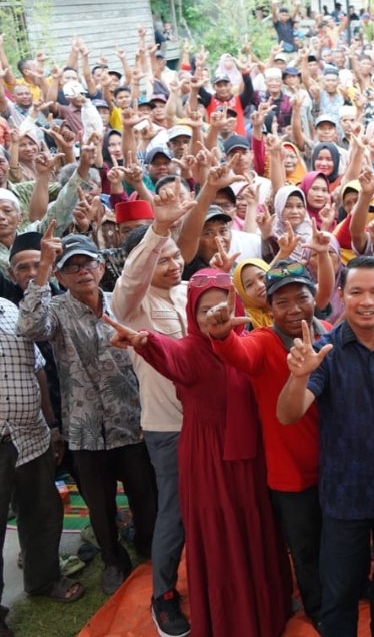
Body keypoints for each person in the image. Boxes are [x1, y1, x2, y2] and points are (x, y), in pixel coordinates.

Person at [105, 269, 293, 636]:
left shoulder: (247, 343)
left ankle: (266, 603)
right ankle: (233, 616)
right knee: (221, 532)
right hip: (209, 458)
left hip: (250, 454)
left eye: (222, 306)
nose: (215, 316)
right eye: (205, 309)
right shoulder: (190, 349)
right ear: (192, 312)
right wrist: (145, 343)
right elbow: (168, 352)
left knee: (256, 523)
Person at [277, 256, 374, 637]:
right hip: (344, 494)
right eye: (356, 292)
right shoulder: (325, 351)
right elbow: (289, 414)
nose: (367, 301)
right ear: (342, 296)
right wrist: (299, 377)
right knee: (340, 589)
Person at [16, 229, 158, 596]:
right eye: (72, 267)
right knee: (100, 502)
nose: (82, 272)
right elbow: (29, 326)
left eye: (88, 264)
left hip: (131, 418)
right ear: (61, 277)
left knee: (144, 492)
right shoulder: (56, 310)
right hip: (86, 426)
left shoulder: (121, 302)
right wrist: (43, 268)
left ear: (101, 267)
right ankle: (113, 560)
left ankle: (147, 544)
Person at [208, 261, 326, 625]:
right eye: (282, 302)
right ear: (269, 307)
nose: (293, 309)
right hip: (291, 473)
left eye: (301, 298)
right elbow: (239, 354)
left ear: (314, 298)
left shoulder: (329, 335)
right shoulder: (263, 341)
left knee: (338, 540)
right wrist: (222, 337)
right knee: (305, 548)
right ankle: (319, 610)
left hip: (334, 466)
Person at [109, 188, 191, 636]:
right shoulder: (131, 305)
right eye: (163, 259)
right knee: (174, 514)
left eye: (176, 255)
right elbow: (131, 279)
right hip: (168, 428)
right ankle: (164, 595)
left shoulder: (187, 295)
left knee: (217, 504)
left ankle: (222, 580)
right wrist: (158, 229)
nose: (173, 264)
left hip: (208, 422)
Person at [0, 295, 85, 635]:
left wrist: (51, 426)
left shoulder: (10, 310)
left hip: (31, 434)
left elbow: (37, 368)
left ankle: (44, 579)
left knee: (42, 512)